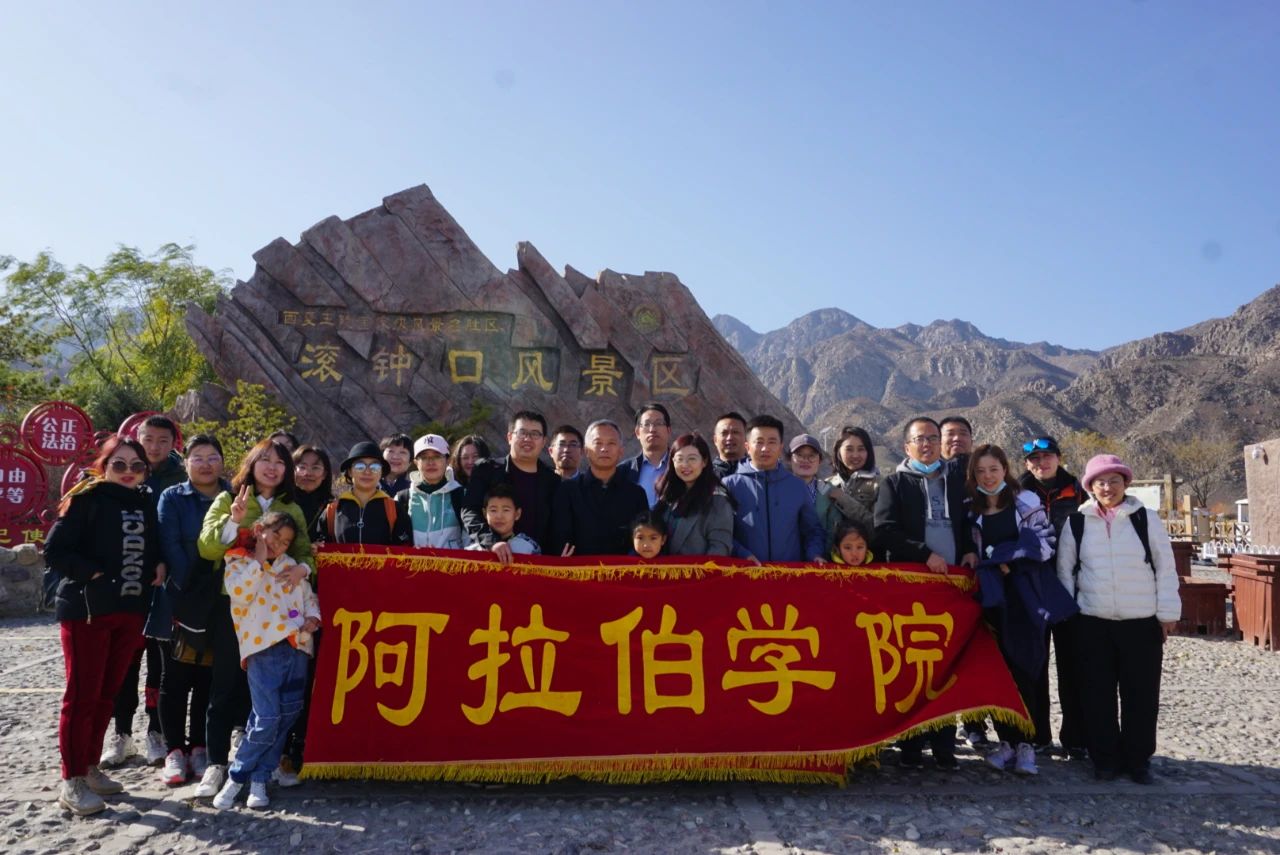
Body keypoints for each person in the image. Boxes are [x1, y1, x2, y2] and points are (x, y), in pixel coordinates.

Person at [44, 437, 166, 815]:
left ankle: (90, 766)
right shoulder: (87, 498)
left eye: (137, 465)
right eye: (119, 464)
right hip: (87, 611)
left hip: (129, 610)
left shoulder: (144, 501)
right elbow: (55, 550)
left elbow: (148, 545)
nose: (129, 472)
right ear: (104, 466)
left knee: (106, 695)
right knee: (82, 696)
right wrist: (93, 574)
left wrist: (158, 563)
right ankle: (72, 780)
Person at [194, 439, 314, 799]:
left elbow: (305, 551)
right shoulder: (228, 498)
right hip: (236, 606)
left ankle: (264, 763)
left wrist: (304, 569)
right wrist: (234, 519)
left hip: (277, 616)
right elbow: (207, 547)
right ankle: (217, 763)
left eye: (280, 462)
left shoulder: (291, 507)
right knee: (224, 684)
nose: (272, 467)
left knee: (271, 696)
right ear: (251, 463)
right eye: (265, 460)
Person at [1056, 454, 1180, 785]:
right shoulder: (1077, 523)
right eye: (1100, 482)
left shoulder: (1145, 519)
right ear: (1090, 487)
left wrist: (1167, 613)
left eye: (1114, 480)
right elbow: (1066, 572)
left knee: (1141, 694)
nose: (1107, 487)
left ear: (1125, 483)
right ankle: (1105, 759)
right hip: (1092, 620)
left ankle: (1138, 760)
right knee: (1097, 694)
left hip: (1141, 620)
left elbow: (1165, 567)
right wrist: (1069, 616)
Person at [874, 417, 976, 771]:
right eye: (920, 439)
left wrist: (969, 550)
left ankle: (945, 744)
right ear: (907, 446)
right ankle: (911, 745)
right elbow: (884, 530)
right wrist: (924, 554)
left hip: (951, 587)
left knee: (945, 664)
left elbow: (966, 524)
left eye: (933, 438)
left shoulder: (957, 483)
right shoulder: (894, 483)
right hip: (911, 587)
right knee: (911, 664)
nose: (928, 444)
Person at [966, 444, 1071, 778]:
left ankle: (1027, 743)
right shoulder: (971, 511)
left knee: (1026, 668)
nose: (987, 476)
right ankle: (1006, 741)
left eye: (993, 469)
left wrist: (1009, 558)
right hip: (991, 599)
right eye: (980, 471)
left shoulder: (1025, 502)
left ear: (1005, 469)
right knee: (998, 670)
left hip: (1024, 596)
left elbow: (1045, 544)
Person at [212, 513, 320, 811]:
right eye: (275, 536)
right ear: (260, 530)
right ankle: (237, 776)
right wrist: (258, 561)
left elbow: (308, 597)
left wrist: (313, 618)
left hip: (297, 648)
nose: (278, 545)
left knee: (288, 713)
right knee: (267, 718)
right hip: (262, 649)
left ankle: (260, 777)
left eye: (285, 542)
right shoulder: (239, 562)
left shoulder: (290, 566)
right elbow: (239, 594)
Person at [103, 415, 185, 768]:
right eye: (149, 439)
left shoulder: (181, 478)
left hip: (163, 582)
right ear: (137, 437)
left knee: (159, 662)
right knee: (124, 660)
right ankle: (121, 733)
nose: (154, 446)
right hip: (126, 583)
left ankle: (156, 731)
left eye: (163, 440)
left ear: (174, 443)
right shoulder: (124, 472)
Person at [154, 435, 228, 787]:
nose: (206, 464)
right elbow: (168, 543)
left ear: (222, 462)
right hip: (180, 596)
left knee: (208, 677)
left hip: (222, 599)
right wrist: (192, 586)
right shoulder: (172, 497)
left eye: (212, 457)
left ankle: (199, 746)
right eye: (197, 457)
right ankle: (174, 750)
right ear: (185, 463)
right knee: (174, 676)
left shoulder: (233, 496)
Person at [1020, 436, 1089, 759]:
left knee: (1073, 663)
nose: (1041, 463)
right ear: (1026, 464)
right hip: (1033, 585)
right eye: (1034, 458)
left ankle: (1075, 736)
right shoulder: (1016, 493)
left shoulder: (1079, 491)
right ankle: (1037, 734)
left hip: (1070, 585)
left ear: (1059, 457)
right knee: (1034, 663)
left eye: (1047, 456)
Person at [723, 415, 826, 564]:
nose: (765, 448)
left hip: (788, 573)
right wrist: (742, 554)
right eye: (759, 442)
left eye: (772, 442)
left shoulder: (797, 486)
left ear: (780, 447)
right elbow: (721, 532)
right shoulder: (730, 485)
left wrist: (814, 554)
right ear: (747, 447)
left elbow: (813, 530)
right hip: (745, 572)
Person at [462, 411, 560, 560]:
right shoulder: (487, 470)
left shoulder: (553, 481)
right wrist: (491, 542)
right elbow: (470, 511)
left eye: (535, 434)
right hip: (493, 558)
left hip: (537, 563)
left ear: (543, 441)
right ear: (509, 437)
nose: (527, 439)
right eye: (522, 433)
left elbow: (556, 527)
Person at [549, 420, 649, 556]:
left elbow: (643, 538)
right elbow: (560, 539)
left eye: (611, 443)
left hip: (623, 568)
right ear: (586, 451)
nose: (604, 449)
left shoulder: (636, 494)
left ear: (621, 451)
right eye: (598, 443)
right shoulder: (568, 491)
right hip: (578, 567)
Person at [654, 433, 734, 557]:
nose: (685, 464)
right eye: (680, 459)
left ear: (704, 461)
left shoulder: (717, 502)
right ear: (672, 461)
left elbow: (719, 549)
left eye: (692, 459)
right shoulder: (667, 496)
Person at [323, 441, 410, 545]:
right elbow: (320, 545)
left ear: (381, 472)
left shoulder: (394, 509)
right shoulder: (333, 510)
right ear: (350, 471)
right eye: (360, 466)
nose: (367, 472)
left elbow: (405, 548)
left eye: (375, 467)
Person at [396, 434, 465, 549]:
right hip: (413, 561)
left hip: (452, 561)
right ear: (416, 462)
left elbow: (471, 540)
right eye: (424, 457)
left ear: (447, 460)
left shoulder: (461, 495)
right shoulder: (402, 498)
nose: (431, 462)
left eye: (437, 456)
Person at [618, 402, 672, 508]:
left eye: (658, 423)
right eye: (647, 424)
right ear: (637, 433)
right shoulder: (623, 471)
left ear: (668, 430)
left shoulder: (682, 467)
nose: (652, 429)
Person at [465, 484, 540, 556]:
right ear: (485, 513)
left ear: (517, 514)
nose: (499, 516)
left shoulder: (528, 547)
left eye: (506, 510)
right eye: (493, 510)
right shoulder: (474, 550)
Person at [292, 445, 334, 539]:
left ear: (324, 474)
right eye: (302, 467)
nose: (308, 473)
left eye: (315, 468)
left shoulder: (332, 508)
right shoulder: (281, 501)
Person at [711, 412, 747, 479]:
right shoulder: (705, 475)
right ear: (715, 440)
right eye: (724, 433)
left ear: (746, 438)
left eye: (735, 432)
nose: (729, 438)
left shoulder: (758, 472)